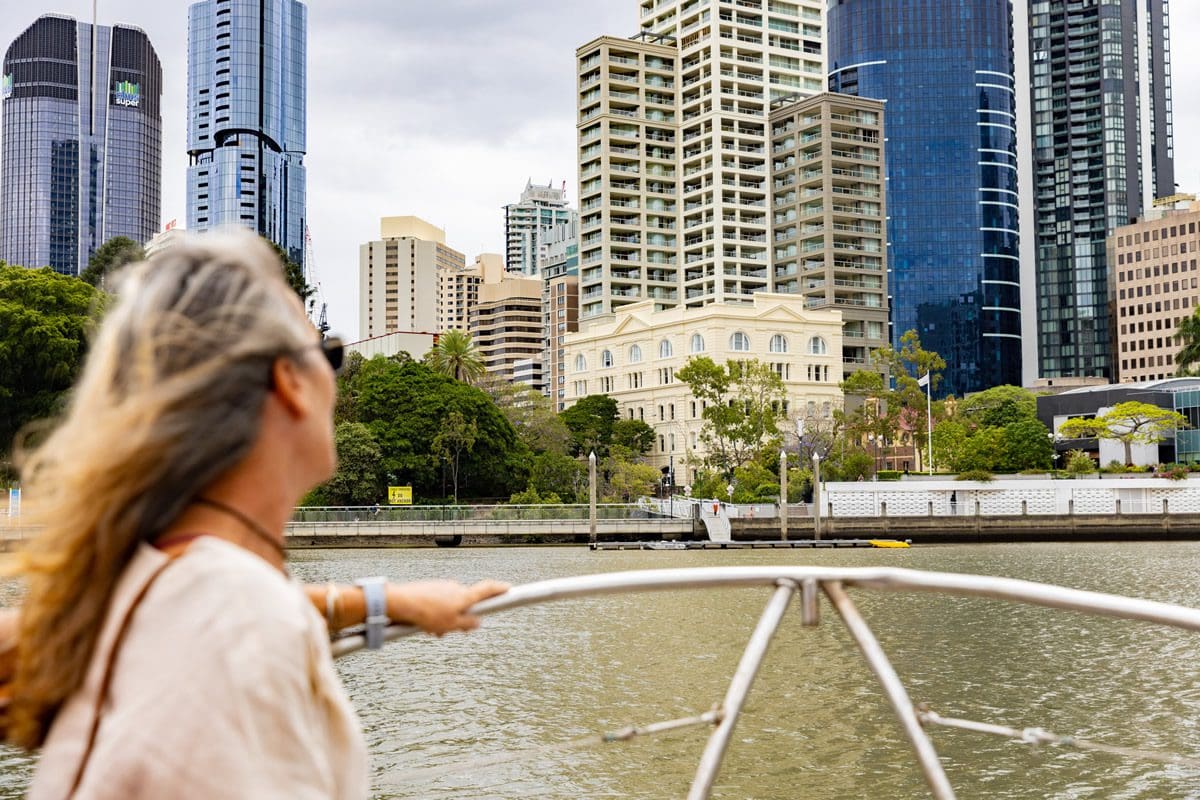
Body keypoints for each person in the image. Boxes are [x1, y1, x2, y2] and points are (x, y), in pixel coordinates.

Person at [3, 231, 508, 798]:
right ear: (289, 381)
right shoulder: (241, 622)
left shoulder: (147, 586)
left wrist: (385, 601)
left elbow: (214, 608)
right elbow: (234, 618)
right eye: (330, 354)